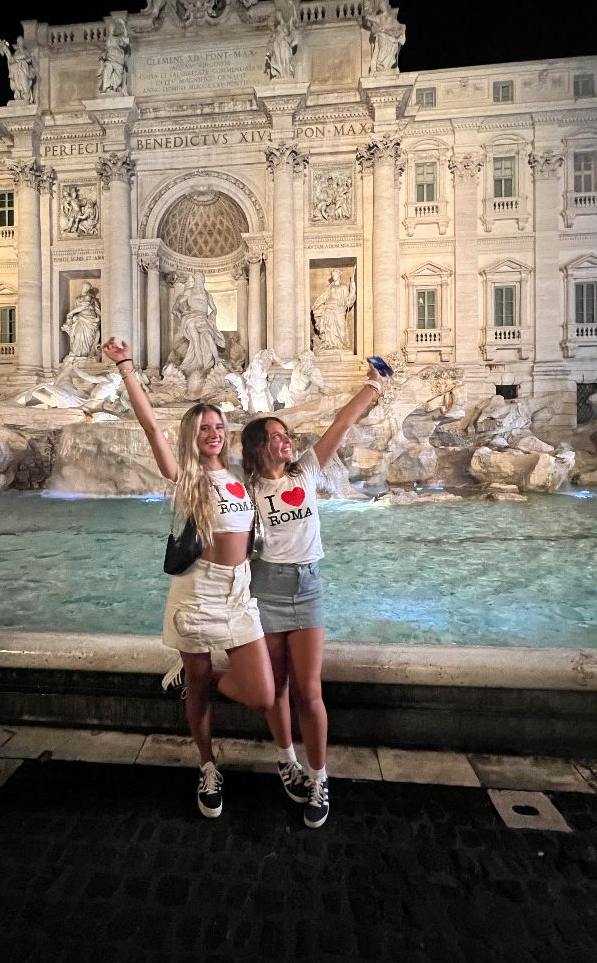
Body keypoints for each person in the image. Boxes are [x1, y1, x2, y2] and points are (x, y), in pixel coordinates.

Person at [102, 336, 275, 818]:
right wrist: (126, 367)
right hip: (196, 594)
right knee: (199, 688)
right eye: (204, 428)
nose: (213, 433)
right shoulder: (186, 476)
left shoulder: (241, 477)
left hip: (239, 597)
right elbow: (150, 426)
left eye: (218, 426)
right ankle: (207, 764)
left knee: (260, 693)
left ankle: (195, 678)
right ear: (192, 435)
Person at [241, 364, 385, 827]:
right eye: (277, 435)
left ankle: (320, 776)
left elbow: (341, 423)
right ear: (260, 446)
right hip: (266, 587)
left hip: (307, 586)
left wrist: (374, 384)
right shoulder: (246, 489)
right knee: (276, 689)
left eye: (286, 434)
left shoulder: (305, 471)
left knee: (309, 689)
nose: (287, 440)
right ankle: (287, 760)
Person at [171, 272, 226, 374]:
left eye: (201, 279)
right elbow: (179, 302)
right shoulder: (189, 291)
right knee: (195, 339)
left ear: (203, 281)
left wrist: (212, 315)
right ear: (195, 280)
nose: (199, 281)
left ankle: (217, 358)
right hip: (191, 317)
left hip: (203, 318)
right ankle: (200, 362)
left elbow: (214, 309)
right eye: (197, 279)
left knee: (208, 336)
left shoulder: (207, 295)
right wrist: (176, 310)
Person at [311, 269, 356, 350]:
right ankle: (329, 344)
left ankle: (341, 345)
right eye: (333, 275)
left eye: (335, 275)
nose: (333, 277)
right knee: (328, 327)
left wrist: (353, 290)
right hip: (328, 308)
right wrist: (317, 305)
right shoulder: (329, 287)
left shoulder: (343, 287)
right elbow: (324, 297)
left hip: (339, 309)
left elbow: (348, 301)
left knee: (341, 327)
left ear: (339, 275)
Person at [62, 283, 101, 357]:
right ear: (82, 287)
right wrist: (73, 315)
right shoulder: (78, 298)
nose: (86, 289)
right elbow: (79, 308)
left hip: (90, 320)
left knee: (88, 337)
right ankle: (78, 353)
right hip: (80, 318)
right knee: (79, 334)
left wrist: (98, 317)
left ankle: (86, 353)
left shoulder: (91, 298)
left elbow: (96, 310)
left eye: (88, 288)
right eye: (85, 287)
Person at [364, 4, 406, 74]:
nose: (382, 7)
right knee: (382, 48)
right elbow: (368, 17)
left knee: (390, 49)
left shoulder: (391, 18)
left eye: (383, 5)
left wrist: (401, 28)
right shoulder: (379, 17)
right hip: (381, 35)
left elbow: (398, 26)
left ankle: (385, 66)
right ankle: (380, 65)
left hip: (389, 36)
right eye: (381, 6)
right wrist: (368, 10)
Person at [0, 36, 36, 103]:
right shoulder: (16, 52)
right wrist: (7, 52)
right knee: (17, 85)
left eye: (21, 42)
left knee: (25, 84)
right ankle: (19, 97)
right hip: (16, 71)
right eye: (19, 42)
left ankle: (26, 98)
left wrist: (15, 59)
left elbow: (25, 56)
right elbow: (11, 60)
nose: (20, 43)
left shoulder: (25, 51)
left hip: (23, 71)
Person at [97, 21, 130, 95]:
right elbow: (103, 52)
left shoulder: (118, 38)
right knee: (108, 66)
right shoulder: (106, 39)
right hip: (110, 59)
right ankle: (106, 87)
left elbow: (126, 42)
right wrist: (102, 56)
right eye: (110, 28)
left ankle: (115, 86)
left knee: (115, 69)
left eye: (113, 28)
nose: (112, 29)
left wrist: (124, 26)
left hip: (118, 59)